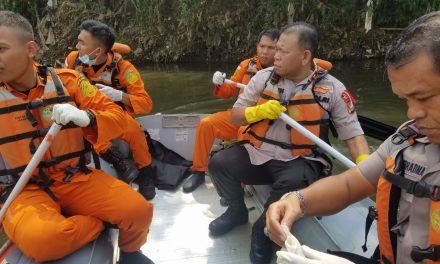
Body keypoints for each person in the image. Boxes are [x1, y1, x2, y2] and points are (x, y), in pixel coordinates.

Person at [266, 12, 440, 264]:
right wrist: (296, 200)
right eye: (405, 100)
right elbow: (351, 184)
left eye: (423, 98)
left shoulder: (332, 89)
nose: (412, 113)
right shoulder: (408, 139)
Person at [208, 22, 370, 264]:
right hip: (260, 152)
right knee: (219, 163)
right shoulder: (264, 78)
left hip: (300, 159)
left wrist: (366, 168)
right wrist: (257, 112)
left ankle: (262, 233)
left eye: (282, 51)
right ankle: (236, 210)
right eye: (276, 50)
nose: (275, 56)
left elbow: (354, 135)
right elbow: (235, 114)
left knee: (294, 182)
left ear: (305, 56)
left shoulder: (332, 89)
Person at [0, 11, 153, 263]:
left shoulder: (70, 81)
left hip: (74, 178)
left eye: (1, 49)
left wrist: (88, 117)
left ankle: (130, 252)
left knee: (139, 211)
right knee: (45, 241)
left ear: (30, 49)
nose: (78, 47)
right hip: (23, 190)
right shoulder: (75, 61)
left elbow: (122, 118)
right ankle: (101, 223)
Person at [65, 20, 155, 200]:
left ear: (98, 51)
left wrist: (120, 96)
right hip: (87, 112)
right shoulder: (75, 60)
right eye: (78, 41)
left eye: (82, 43)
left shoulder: (124, 69)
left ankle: (145, 171)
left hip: (116, 113)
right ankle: (116, 159)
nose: (77, 46)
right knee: (80, 128)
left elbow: (146, 103)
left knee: (135, 132)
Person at [182, 28, 280, 193]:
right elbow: (228, 92)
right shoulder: (246, 64)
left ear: (280, 49)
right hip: (242, 116)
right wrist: (219, 82)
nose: (264, 51)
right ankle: (199, 170)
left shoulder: (286, 68)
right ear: (257, 46)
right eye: (262, 46)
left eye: (271, 48)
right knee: (206, 124)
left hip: (268, 123)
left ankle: (239, 180)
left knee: (245, 136)